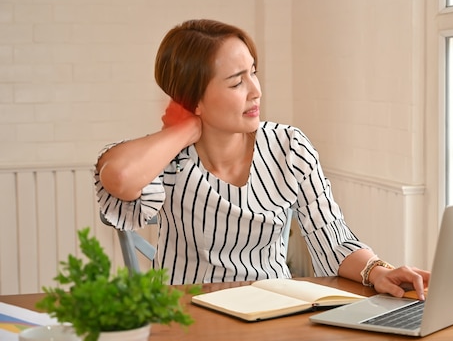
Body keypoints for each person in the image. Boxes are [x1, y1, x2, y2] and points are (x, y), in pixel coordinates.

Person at [94, 19, 430, 299]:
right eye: (237, 82)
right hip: (184, 320)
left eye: (253, 72)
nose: (255, 90)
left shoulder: (289, 147)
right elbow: (120, 177)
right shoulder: (168, 159)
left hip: (272, 313)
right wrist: (185, 129)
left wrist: (378, 271)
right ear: (193, 98)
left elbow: (334, 242)